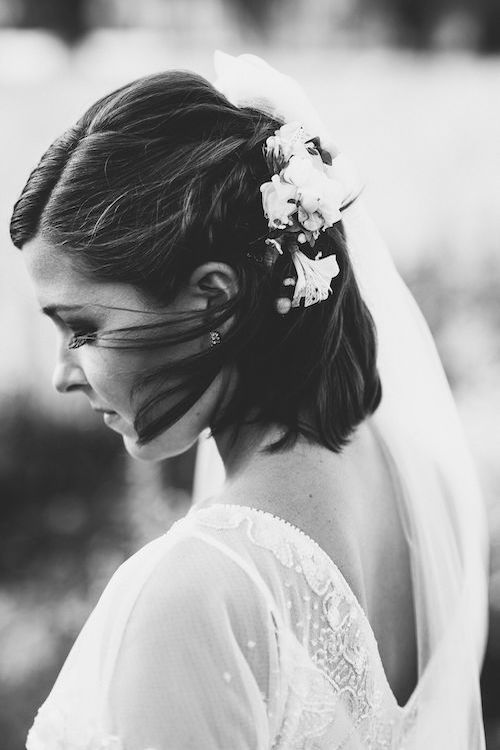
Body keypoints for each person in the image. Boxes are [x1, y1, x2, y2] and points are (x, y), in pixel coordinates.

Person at [10, 52, 489, 749]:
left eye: (83, 328)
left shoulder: (196, 594)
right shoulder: (425, 489)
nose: (63, 374)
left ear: (215, 298)